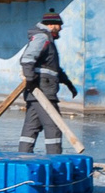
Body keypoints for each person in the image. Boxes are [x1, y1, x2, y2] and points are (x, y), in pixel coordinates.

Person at [16, 10, 74, 153]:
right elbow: (27, 59)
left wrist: (67, 82)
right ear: (52, 25)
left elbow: (52, 67)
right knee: (54, 126)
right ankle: (54, 161)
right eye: (59, 25)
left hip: (39, 90)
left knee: (31, 127)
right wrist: (30, 80)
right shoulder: (42, 38)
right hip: (42, 91)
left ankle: (23, 158)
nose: (60, 28)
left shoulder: (47, 39)